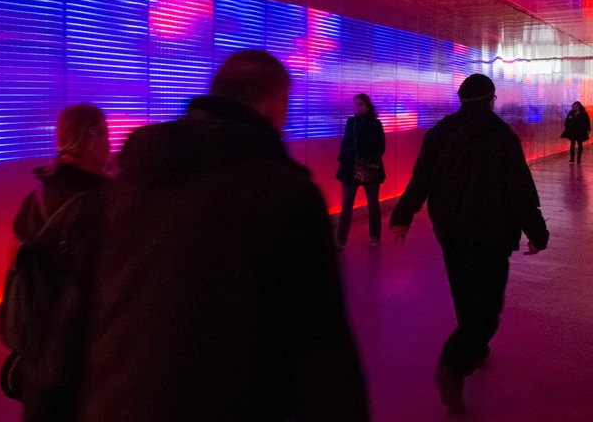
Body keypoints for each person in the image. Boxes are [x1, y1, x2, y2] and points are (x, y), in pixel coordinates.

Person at [78, 50, 369, 422]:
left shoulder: (130, 177)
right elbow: (318, 346)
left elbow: (79, 305)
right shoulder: (284, 193)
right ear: (272, 102)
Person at [389, 74, 549, 415]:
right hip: (489, 234)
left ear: (462, 100)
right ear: (491, 100)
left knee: (464, 295)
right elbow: (519, 190)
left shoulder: (440, 134)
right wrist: (537, 232)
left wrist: (402, 215)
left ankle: (474, 352)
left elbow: (421, 179)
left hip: (450, 232)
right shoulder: (501, 137)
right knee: (486, 310)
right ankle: (453, 362)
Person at [15, 103, 111, 422]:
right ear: (91, 138)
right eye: (106, 135)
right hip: (80, 346)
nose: (110, 145)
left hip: (36, 333)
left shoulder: (39, 195)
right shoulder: (100, 202)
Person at [335, 93, 386, 249]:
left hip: (369, 168)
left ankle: (374, 236)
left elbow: (380, 147)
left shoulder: (375, 124)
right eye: (355, 104)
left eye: (360, 104)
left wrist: (368, 160)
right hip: (350, 167)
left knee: (372, 203)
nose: (357, 107)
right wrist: (344, 158)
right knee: (347, 204)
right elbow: (346, 142)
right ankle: (341, 239)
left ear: (368, 106)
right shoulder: (351, 122)